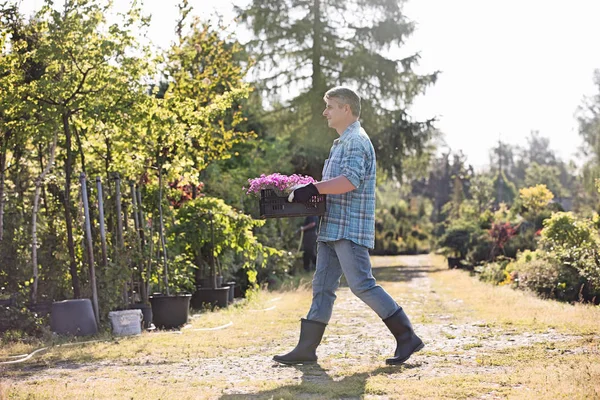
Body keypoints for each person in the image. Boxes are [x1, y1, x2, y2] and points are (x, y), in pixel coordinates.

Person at [274, 87, 424, 366]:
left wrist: (313, 188)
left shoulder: (356, 140)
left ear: (345, 108)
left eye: (329, 106)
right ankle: (306, 348)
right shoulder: (341, 142)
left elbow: (350, 181)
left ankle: (407, 336)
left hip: (349, 228)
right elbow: (335, 184)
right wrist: (308, 191)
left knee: (362, 285)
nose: (325, 112)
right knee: (322, 287)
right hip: (332, 227)